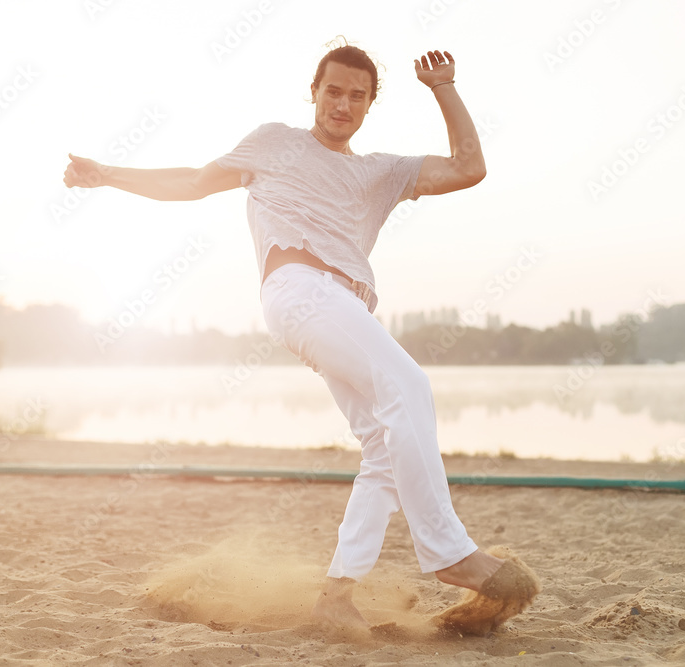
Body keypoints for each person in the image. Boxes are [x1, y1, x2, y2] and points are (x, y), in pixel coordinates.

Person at [64, 42, 529, 631]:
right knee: (408, 384)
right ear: (314, 91)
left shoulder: (381, 172)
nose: (343, 104)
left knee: (384, 448)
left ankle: (336, 598)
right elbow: (192, 181)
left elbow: (469, 167)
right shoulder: (274, 142)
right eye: (333, 90)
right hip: (300, 291)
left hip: (343, 309)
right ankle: (450, 554)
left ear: (368, 105)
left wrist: (444, 87)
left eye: (357, 96)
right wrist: (107, 174)